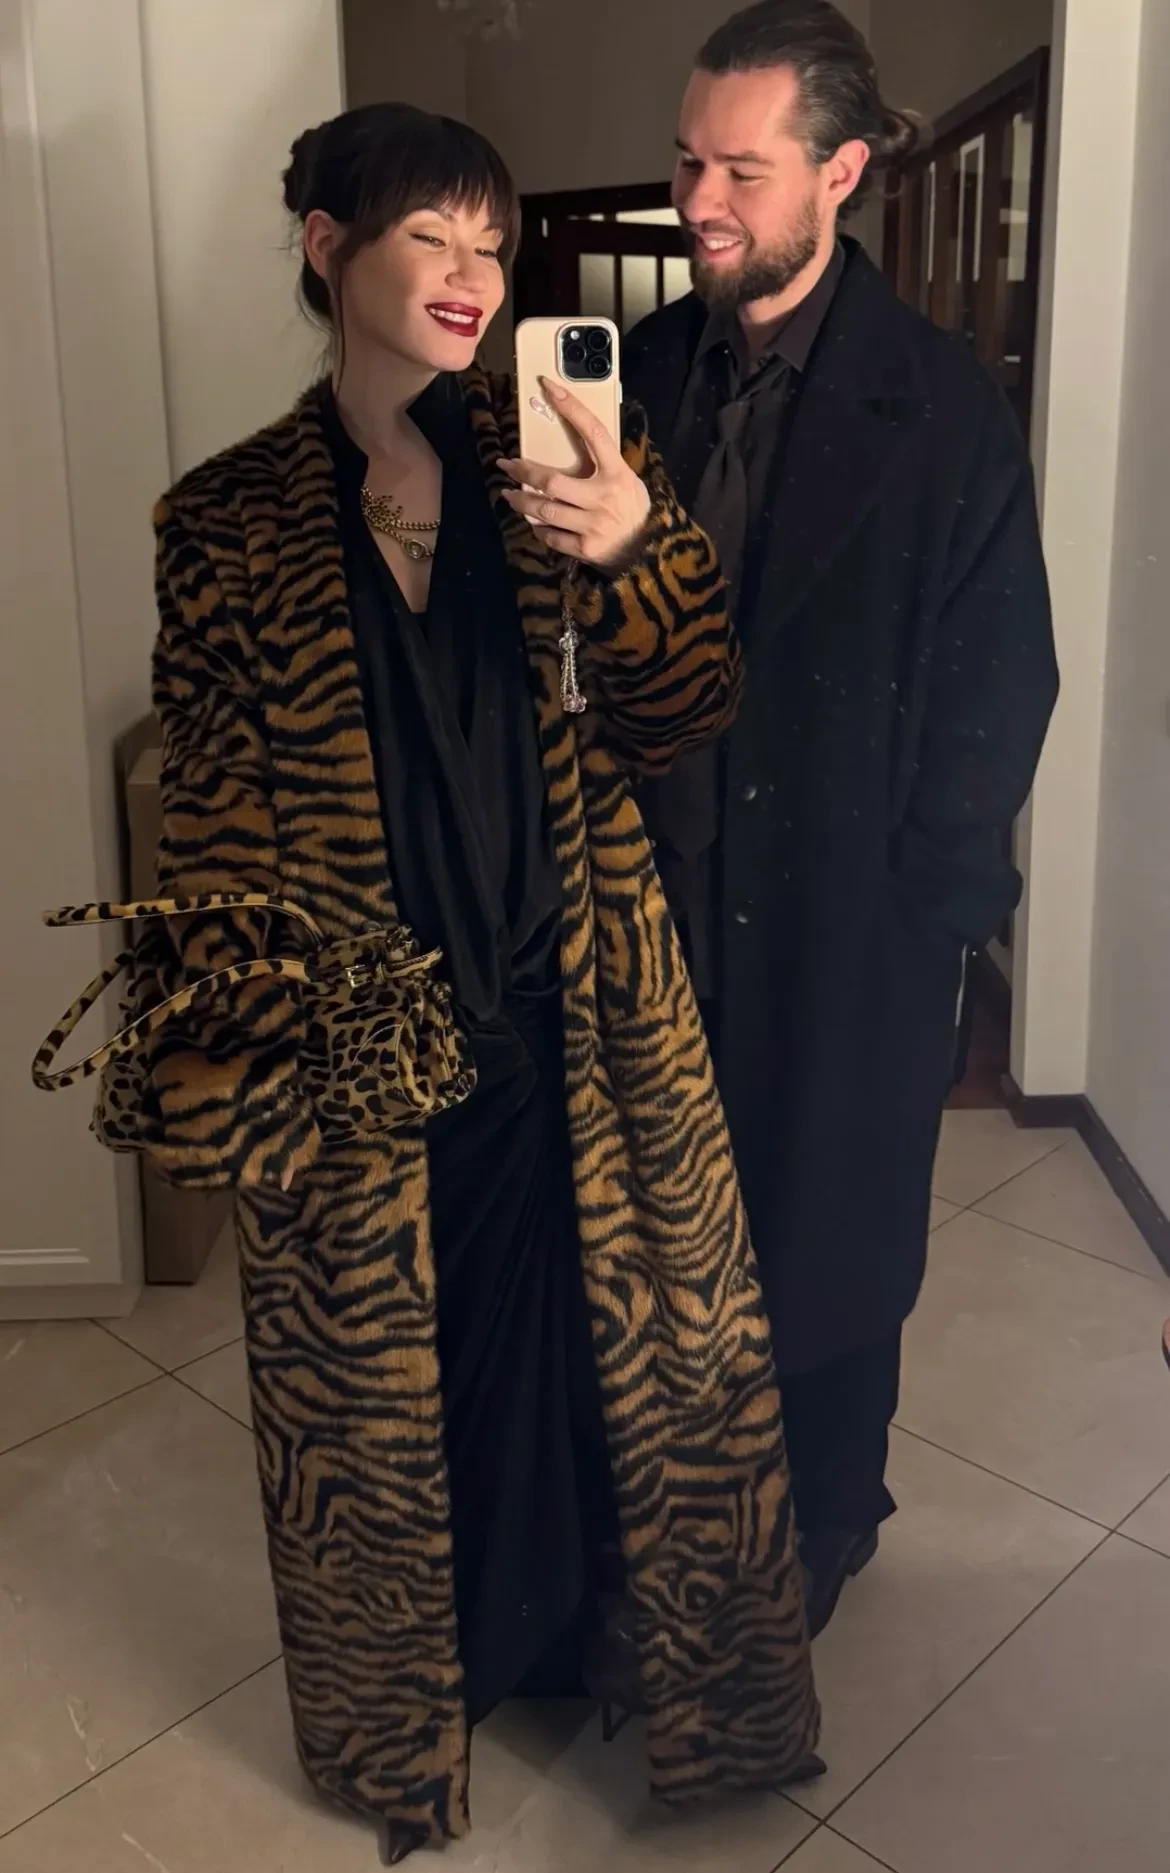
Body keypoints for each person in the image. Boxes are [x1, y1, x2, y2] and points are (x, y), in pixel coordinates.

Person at [141, 103, 818, 1860]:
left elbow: (689, 710)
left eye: (490, 243)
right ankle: (416, 1716)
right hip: (367, 1048)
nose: (470, 276)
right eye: (429, 236)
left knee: (621, 1375)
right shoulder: (225, 520)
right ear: (327, 248)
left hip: (582, 1010)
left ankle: (622, 1669)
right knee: (396, 1404)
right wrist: (229, 1088)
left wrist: (630, 549)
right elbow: (211, 817)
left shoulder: (568, 456)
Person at [624, 0, 1059, 1638]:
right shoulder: (634, 375)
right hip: (646, 903)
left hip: (845, 914)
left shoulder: (939, 406)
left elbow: (999, 676)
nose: (698, 200)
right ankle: (662, 1504)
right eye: (687, 161)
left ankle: (820, 1518)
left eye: (740, 168)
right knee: (652, 1228)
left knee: (829, 1236)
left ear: (841, 172)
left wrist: (925, 911)